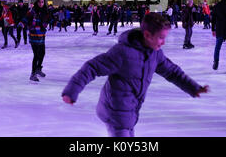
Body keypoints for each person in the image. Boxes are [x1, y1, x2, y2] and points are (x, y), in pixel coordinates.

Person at [62, 13, 209, 137]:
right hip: (115, 110)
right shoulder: (122, 53)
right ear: (147, 35)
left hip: (131, 109)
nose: (163, 42)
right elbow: (92, 67)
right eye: (161, 37)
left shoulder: (155, 53)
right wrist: (71, 91)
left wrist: (193, 88)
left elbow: (172, 72)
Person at [27, 0, 49, 82]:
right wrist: (22, 23)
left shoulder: (45, 12)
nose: (41, 4)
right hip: (33, 35)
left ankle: (38, 68)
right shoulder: (33, 11)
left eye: (42, 2)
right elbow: (27, 18)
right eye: (39, 2)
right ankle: (33, 73)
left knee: (42, 53)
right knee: (36, 55)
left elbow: (48, 20)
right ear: (37, 2)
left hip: (41, 36)